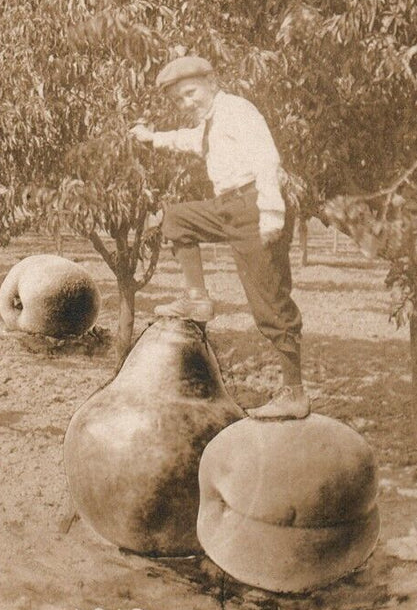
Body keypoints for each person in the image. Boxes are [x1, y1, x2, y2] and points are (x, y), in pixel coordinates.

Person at [130, 55, 308, 420]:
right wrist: (152, 139)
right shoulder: (211, 122)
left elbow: (267, 159)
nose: (187, 103)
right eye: (179, 99)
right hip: (228, 207)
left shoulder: (238, 110)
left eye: (191, 93)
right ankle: (197, 299)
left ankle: (295, 392)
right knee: (176, 219)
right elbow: (190, 140)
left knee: (270, 305)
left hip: (254, 208)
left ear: (212, 82)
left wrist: (272, 212)